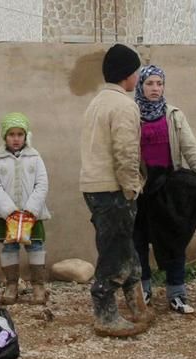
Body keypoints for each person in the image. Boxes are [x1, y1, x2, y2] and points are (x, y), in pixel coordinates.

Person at [79, 44, 153, 337]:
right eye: (136, 71)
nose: (138, 76)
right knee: (113, 252)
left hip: (94, 186)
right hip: (112, 188)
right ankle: (105, 315)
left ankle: (138, 308)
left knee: (125, 246)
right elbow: (125, 151)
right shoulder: (124, 105)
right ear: (128, 75)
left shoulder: (96, 102)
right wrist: (131, 188)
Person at [133, 65, 196, 314]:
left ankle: (177, 294)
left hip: (168, 188)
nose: (155, 89)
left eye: (159, 84)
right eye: (150, 84)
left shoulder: (174, 115)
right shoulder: (130, 114)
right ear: (141, 86)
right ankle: (143, 291)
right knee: (139, 241)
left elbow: (190, 148)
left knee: (174, 240)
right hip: (140, 187)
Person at [0, 112, 51, 306]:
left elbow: (42, 183)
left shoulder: (35, 157)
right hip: (8, 216)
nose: (16, 138)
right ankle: (11, 285)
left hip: (32, 214)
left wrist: (31, 209)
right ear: (4, 136)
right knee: (9, 247)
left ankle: (38, 286)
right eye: (11, 134)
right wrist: (9, 211)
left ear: (25, 135)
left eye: (20, 134)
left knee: (36, 246)